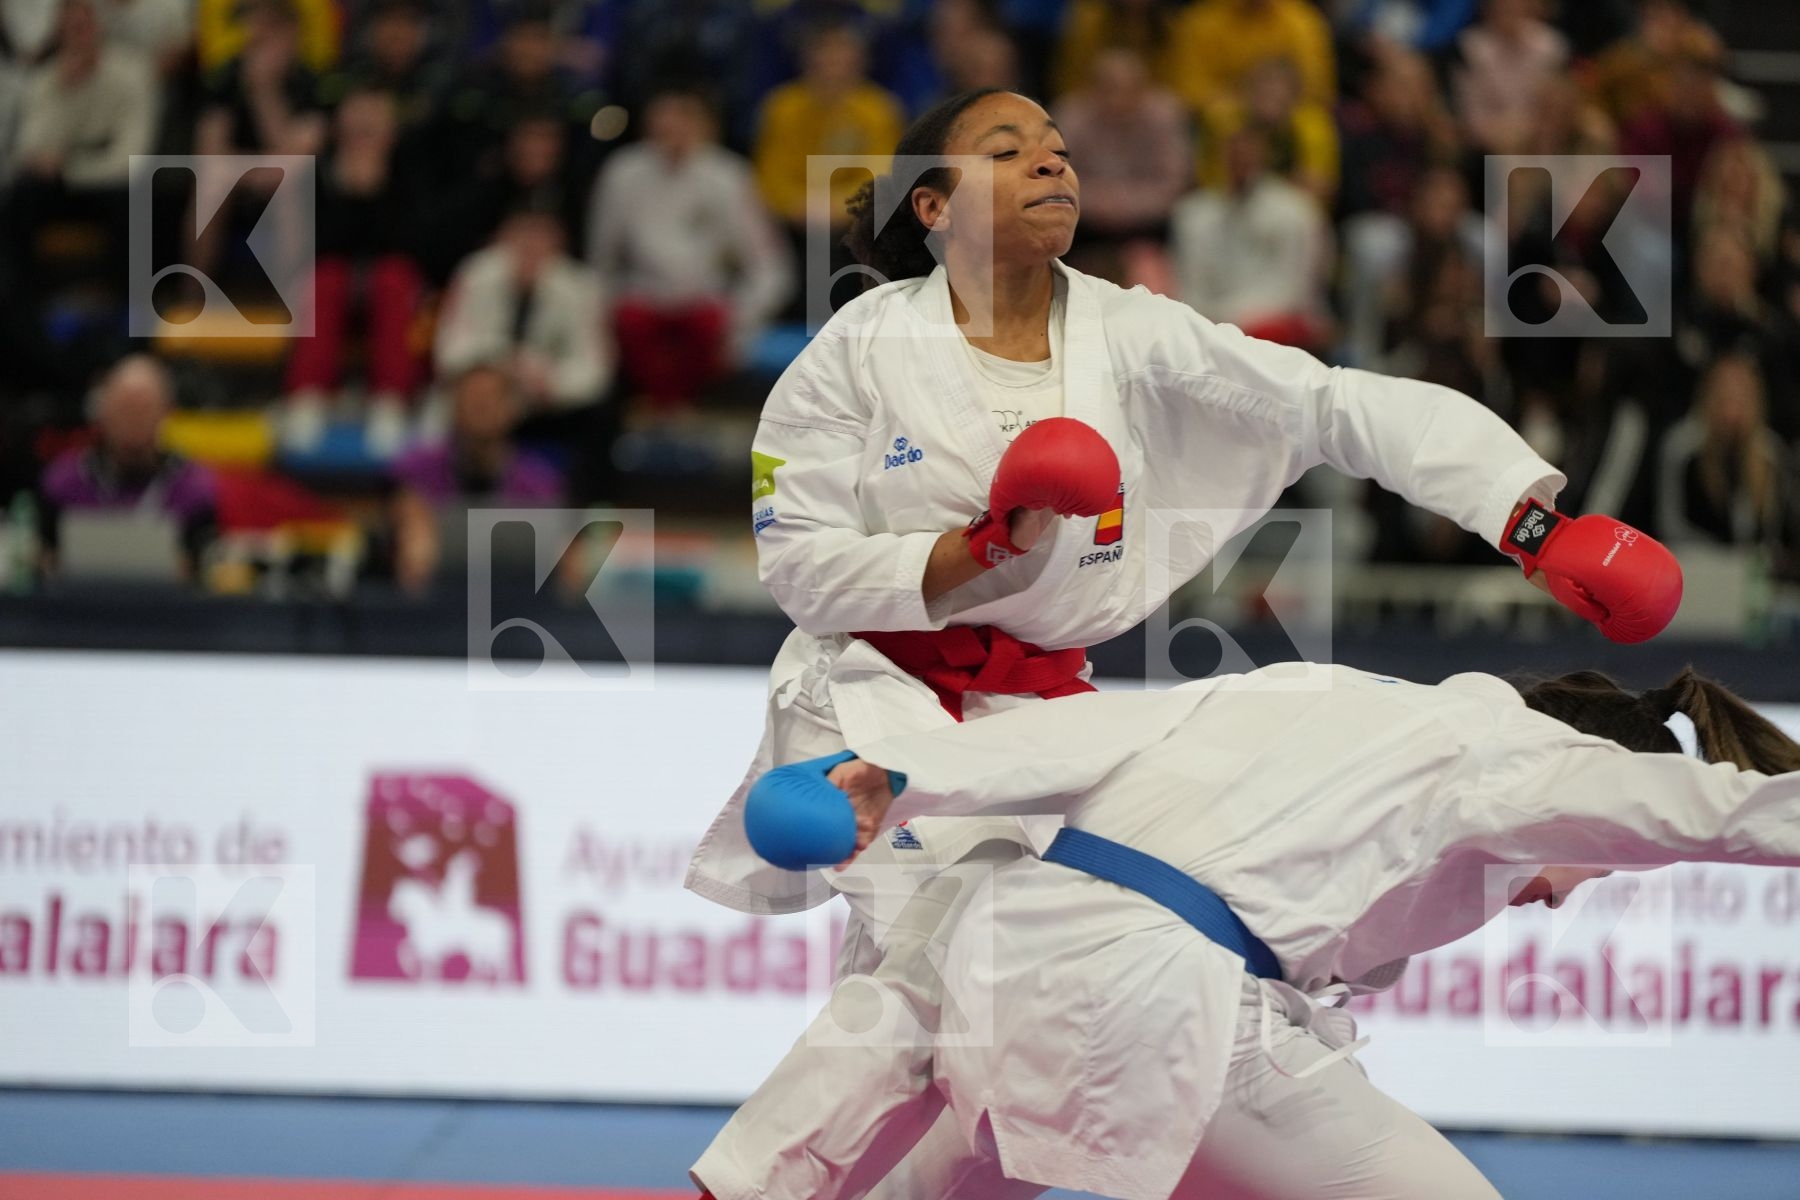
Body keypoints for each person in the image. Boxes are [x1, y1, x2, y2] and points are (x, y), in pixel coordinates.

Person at [685, 87, 1683, 1200]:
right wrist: (975, 551)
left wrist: (1530, 522)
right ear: (933, 203)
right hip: (873, 690)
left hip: (1047, 713)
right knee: (957, 951)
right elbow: (798, 564)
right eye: (1008, 151)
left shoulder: (1130, 333)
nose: (1052, 163)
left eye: (1058, 148)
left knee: (1015, 1021)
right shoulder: (860, 350)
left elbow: (1332, 404)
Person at [744, 660, 1799, 1199]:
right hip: (1156, 1000)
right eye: (1592, 868)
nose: (1567, 894)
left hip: (1007, 947)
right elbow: (1711, 813)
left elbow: (1075, 734)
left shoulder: (1308, 686)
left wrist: (906, 776)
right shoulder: (1527, 759)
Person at [586, 86, 792, 413]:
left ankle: (684, 411)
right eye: (663, 118)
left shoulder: (729, 177)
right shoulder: (623, 173)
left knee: (708, 327)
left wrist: (741, 319)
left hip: (706, 306)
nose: (672, 127)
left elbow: (769, 267)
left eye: (684, 117)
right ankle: (654, 410)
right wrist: (599, 317)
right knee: (628, 324)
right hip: (641, 303)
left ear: (706, 125)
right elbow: (601, 259)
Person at [37, 355, 217, 580]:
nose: (133, 419)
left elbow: (204, 568)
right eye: (124, 407)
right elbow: (42, 560)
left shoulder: (194, 490)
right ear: (102, 410)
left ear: (166, 412)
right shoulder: (63, 482)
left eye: (143, 409)